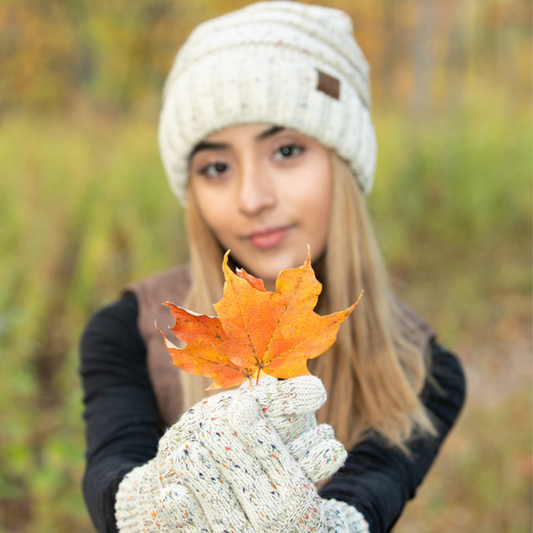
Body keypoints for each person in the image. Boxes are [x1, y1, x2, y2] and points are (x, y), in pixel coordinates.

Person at [80, 2, 466, 532]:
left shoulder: (425, 372)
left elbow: (368, 497)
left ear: (343, 163)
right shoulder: (129, 330)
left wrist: (337, 526)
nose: (252, 197)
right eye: (216, 167)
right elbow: (110, 473)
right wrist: (147, 505)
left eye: (286, 150)